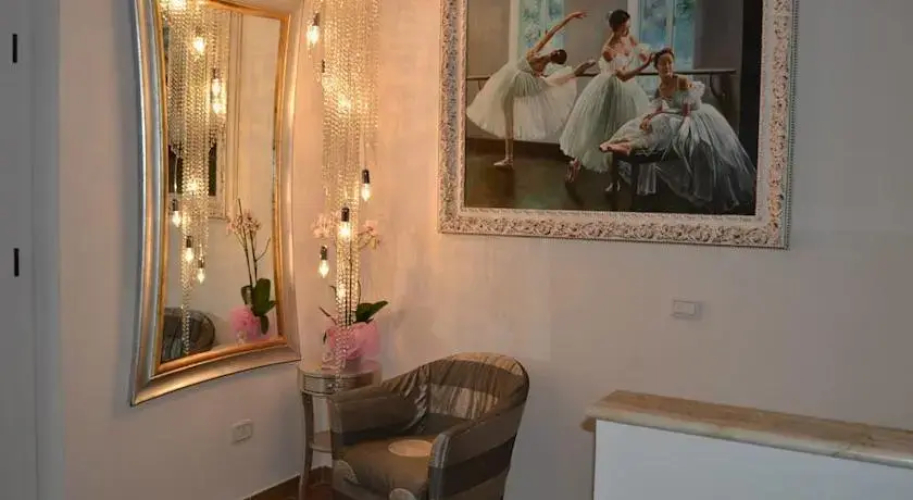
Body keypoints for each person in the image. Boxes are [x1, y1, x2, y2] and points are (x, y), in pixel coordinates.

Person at [600, 48, 756, 212]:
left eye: (670, 63)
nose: (667, 66)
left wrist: (658, 118)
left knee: (661, 123)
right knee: (638, 123)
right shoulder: (660, 87)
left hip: (692, 117)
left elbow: (685, 111)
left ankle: (629, 145)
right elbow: (658, 108)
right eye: (663, 64)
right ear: (656, 67)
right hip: (673, 116)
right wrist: (647, 118)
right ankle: (620, 141)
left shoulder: (680, 80)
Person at [466, 11, 595, 167]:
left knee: (510, 114)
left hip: (516, 82)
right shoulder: (538, 57)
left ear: (554, 56)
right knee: (555, 81)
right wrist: (570, 17)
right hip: (516, 81)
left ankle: (509, 158)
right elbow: (553, 32)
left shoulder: (537, 57)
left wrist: (571, 17)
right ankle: (509, 158)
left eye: (555, 54)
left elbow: (553, 32)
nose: (553, 53)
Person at [560, 9, 653, 184]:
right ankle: (577, 163)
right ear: (615, 27)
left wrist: (646, 56)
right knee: (598, 129)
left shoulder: (629, 38)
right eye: (624, 28)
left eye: (628, 26)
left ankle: (617, 178)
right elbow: (623, 76)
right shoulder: (607, 50)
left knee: (626, 129)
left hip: (629, 90)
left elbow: (641, 54)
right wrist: (644, 65)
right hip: (611, 89)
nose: (627, 30)